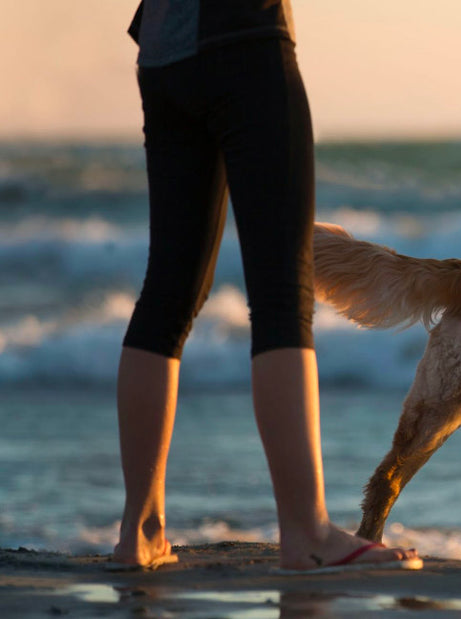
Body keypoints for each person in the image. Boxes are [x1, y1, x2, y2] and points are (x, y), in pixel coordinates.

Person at [111, 0, 420, 572]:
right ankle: (305, 531)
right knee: (281, 293)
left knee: (167, 293)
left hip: (163, 52)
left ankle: (140, 530)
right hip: (246, 36)